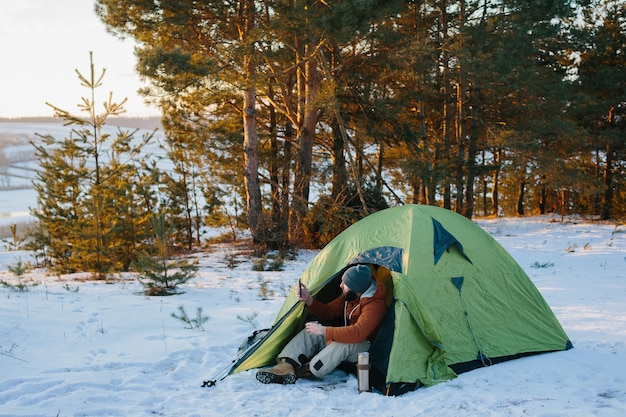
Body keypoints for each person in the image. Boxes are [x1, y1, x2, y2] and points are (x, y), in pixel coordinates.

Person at [256, 264, 388, 385]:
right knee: (312, 329)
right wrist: (309, 300)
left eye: (345, 283)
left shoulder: (375, 305)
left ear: (356, 287)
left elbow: (358, 333)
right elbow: (329, 312)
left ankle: (308, 370)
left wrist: (324, 331)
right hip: (353, 337)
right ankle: (286, 364)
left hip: (367, 348)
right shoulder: (351, 296)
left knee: (344, 343)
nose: (341, 285)